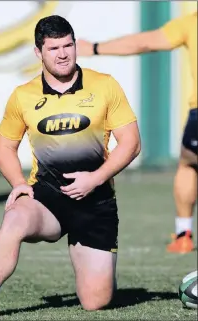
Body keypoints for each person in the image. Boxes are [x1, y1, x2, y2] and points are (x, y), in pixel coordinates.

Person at [0, 15, 141, 318]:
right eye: (54, 47)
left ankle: (96, 268)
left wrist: (95, 179)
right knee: (16, 214)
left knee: (96, 302)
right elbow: (4, 146)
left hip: (95, 202)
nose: (63, 53)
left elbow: (132, 143)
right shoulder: (23, 96)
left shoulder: (105, 85)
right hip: (47, 199)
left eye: (68, 45)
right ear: (38, 52)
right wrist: (18, 183)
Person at [77, 12, 197, 254]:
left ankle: (184, 234)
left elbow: (145, 42)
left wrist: (96, 48)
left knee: (189, 164)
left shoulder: (192, 21)